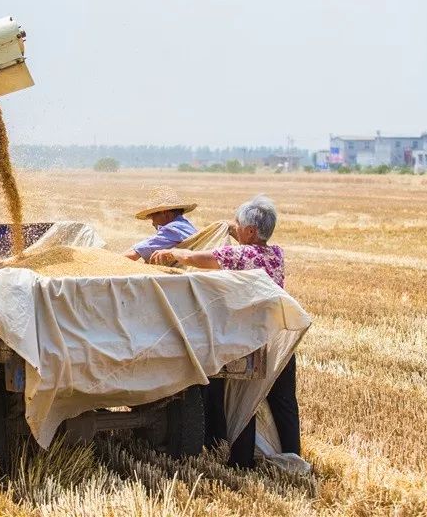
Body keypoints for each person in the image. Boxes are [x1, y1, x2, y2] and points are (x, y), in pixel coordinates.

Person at [149, 194, 299, 469]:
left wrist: (172, 253)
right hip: (278, 337)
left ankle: (241, 461)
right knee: (284, 401)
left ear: (251, 231)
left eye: (240, 225)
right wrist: (229, 227)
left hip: (251, 339)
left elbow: (197, 258)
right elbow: (246, 238)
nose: (236, 228)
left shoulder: (239, 255)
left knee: (243, 401)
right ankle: (293, 456)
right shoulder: (276, 254)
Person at [123, 185, 198, 262]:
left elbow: (133, 255)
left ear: (164, 212)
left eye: (153, 217)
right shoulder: (188, 226)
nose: (153, 223)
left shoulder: (171, 229)